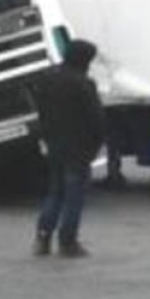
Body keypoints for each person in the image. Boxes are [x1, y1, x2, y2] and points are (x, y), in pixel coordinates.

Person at [33, 39, 106, 257]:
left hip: (55, 144)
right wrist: (95, 146)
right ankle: (67, 241)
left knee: (54, 192)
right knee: (74, 196)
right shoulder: (84, 84)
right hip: (78, 148)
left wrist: (45, 137)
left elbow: (41, 112)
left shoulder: (47, 79)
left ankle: (43, 237)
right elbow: (96, 120)